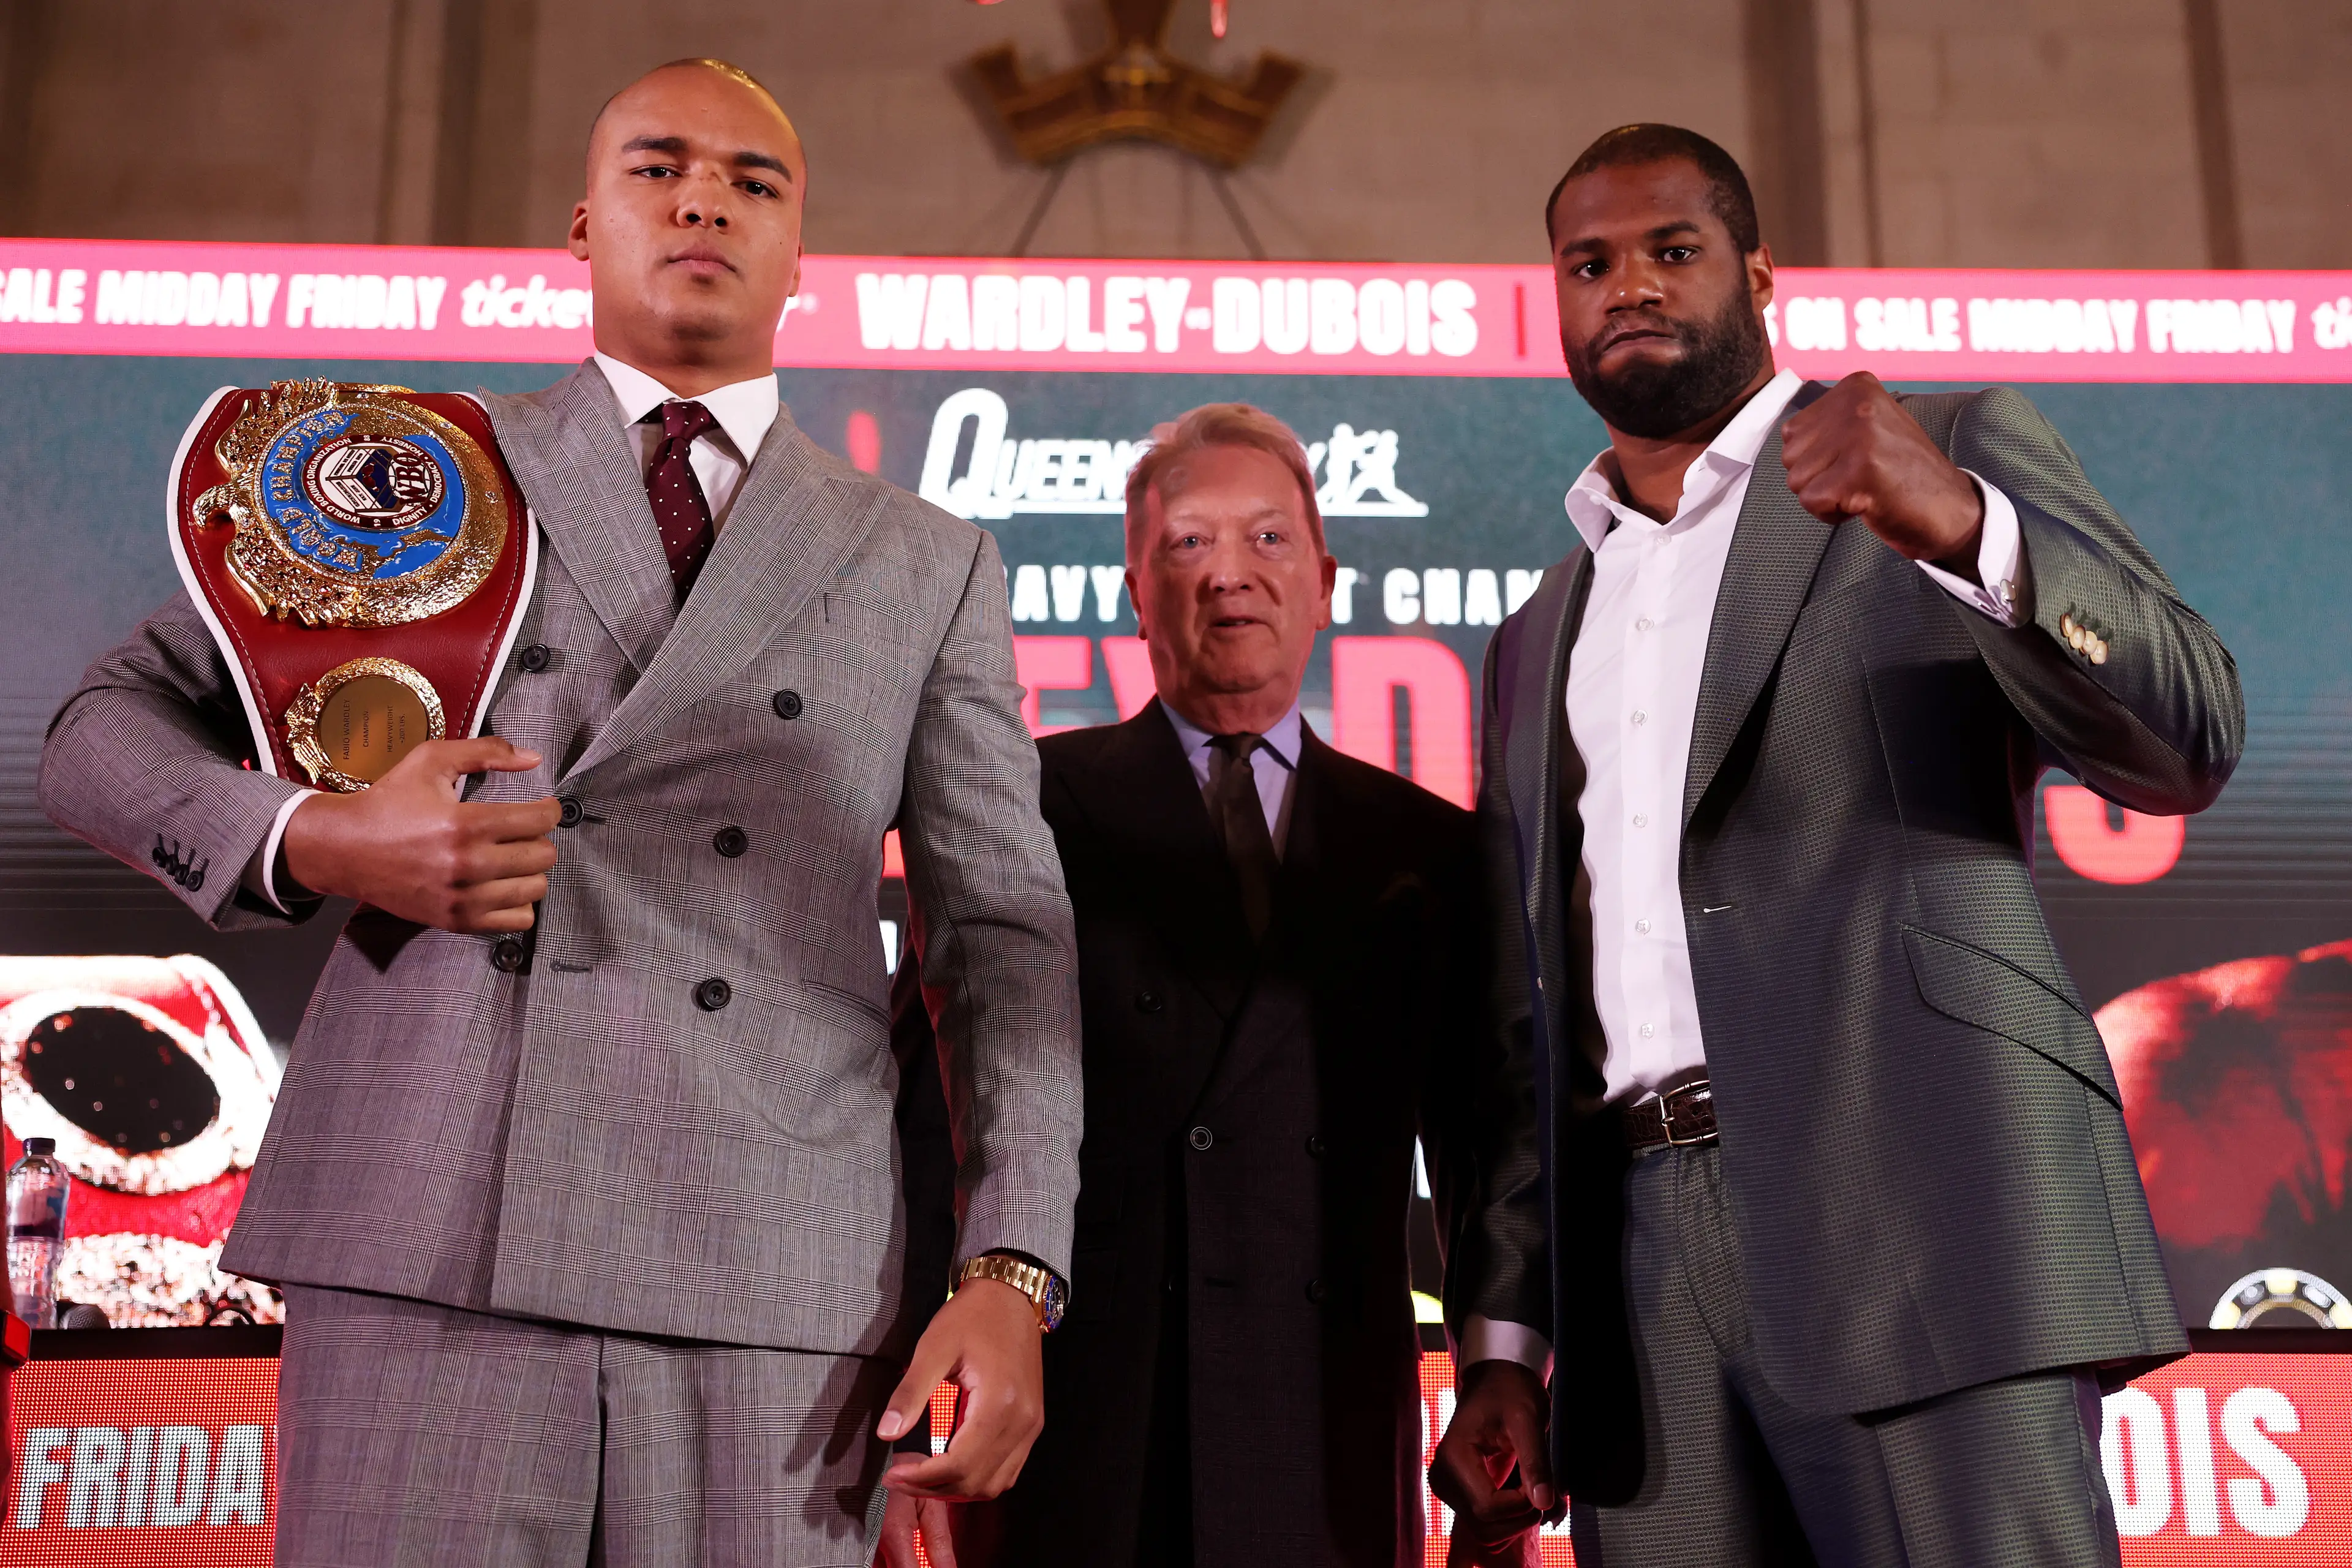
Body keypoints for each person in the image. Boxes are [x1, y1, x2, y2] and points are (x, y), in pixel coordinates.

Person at [39, 58, 1080, 1566]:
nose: (705, 195)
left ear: (804, 259)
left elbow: (1004, 939)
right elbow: (93, 733)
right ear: (581, 224)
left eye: (753, 179)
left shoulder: (925, 562)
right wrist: (319, 839)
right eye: (658, 166)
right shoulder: (404, 472)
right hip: (429, 1235)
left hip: (769, 1280)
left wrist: (1013, 1265)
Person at [1429, 124, 2243, 1566]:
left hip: (1924, 1201)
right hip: (1637, 1272)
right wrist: (1509, 1331)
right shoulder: (1535, 630)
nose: (1630, 287)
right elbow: (1524, 1024)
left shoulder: (1939, 453)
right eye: (1590, 263)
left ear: (1755, 275)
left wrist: (1968, 529)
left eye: (1671, 253)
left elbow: (2187, 731)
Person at [880, 404, 1510, 1567]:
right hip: (1083, 1424)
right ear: (1133, 589)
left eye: (1268, 542)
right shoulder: (1019, 810)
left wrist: (1502, 1370)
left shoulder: (1430, 848)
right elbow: (930, 1129)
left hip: (1323, 1421)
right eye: (1188, 545)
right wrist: (899, 1404)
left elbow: (1489, 1153)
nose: (1230, 578)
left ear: (1324, 578)